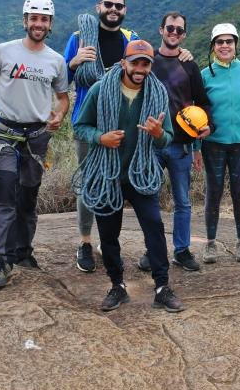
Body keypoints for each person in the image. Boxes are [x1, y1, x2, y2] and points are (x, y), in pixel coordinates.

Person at [64, 0, 194, 272]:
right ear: (99, 6)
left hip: (128, 124)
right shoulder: (79, 38)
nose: (113, 9)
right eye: (108, 5)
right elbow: (62, 77)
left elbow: (146, 60)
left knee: (124, 180)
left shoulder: (130, 38)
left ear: (124, 10)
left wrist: (181, 53)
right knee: (93, 183)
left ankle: (108, 242)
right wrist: (74, 63)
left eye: (118, 6)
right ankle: (86, 242)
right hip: (93, 122)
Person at [73, 39, 184, 313]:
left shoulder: (157, 94)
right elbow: (80, 127)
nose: (140, 68)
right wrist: (101, 137)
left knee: (154, 228)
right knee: (109, 234)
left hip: (141, 174)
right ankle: (117, 286)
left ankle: (161, 287)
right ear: (124, 63)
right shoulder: (101, 90)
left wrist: (159, 134)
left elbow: (167, 137)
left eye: (146, 63)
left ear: (150, 66)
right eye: (135, 62)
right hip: (108, 175)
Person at [0, 0, 70, 289]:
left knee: (28, 197)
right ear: (25, 21)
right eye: (34, 18)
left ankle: (23, 252)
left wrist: (58, 116)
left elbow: (62, 97)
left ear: (50, 24)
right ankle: (0, 260)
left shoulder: (56, 61)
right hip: (4, 133)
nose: (38, 23)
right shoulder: (3, 52)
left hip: (36, 136)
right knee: (6, 194)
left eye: (43, 19)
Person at [136, 11, 212, 273]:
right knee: (150, 198)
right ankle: (153, 250)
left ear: (184, 35)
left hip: (181, 144)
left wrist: (206, 126)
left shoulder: (189, 64)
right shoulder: (147, 61)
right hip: (152, 142)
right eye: (170, 28)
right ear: (160, 30)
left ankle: (181, 250)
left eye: (179, 30)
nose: (174, 33)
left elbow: (202, 101)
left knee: (183, 201)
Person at [200, 23, 240, 264]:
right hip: (213, 144)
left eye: (229, 41)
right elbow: (198, 115)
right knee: (213, 192)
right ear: (213, 47)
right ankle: (209, 243)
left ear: (236, 45)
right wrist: (197, 148)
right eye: (220, 42)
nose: (225, 45)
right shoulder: (205, 75)